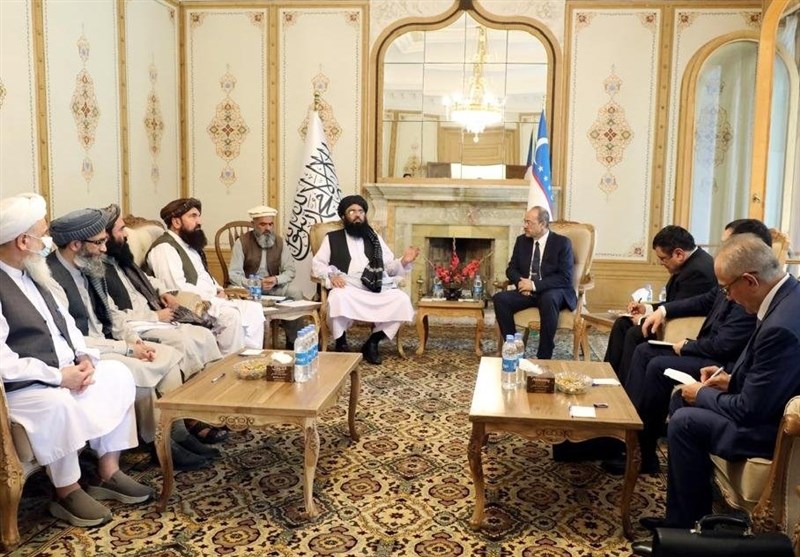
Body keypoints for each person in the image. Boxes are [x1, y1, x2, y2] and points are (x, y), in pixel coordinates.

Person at [0, 193, 151, 527]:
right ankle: (67, 491)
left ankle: (108, 471)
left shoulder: (33, 272)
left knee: (118, 374)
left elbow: (65, 324)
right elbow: (3, 361)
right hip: (23, 388)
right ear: (23, 241)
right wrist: (59, 376)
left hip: (65, 370)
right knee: (56, 403)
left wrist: (84, 357)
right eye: (42, 235)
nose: (48, 242)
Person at [636, 233, 800, 539]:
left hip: (772, 432)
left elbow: (750, 410)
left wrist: (704, 393)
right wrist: (730, 379)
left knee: (685, 420)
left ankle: (684, 531)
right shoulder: (787, 297)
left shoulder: (780, 327)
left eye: (727, 288)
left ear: (750, 281)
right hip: (767, 407)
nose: (728, 298)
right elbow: (768, 377)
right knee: (682, 401)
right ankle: (691, 514)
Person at [46, 208, 215, 470]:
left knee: (169, 357)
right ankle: (159, 444)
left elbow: (113, 313)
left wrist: (136, 341)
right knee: (143, 373)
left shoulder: (87, 266)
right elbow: (73, 337)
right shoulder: (51, 278)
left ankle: (178, 434)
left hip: (107, 341)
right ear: (75, 244)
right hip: (84, 351)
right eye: (99, 242)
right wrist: (126, 349)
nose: (104, 249)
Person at [602, 220, 768, 475]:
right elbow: (702, 301)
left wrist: (688, 346)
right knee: (645, 351)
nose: (721, 250)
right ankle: (627, 428)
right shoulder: (731, 280)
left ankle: (641, 450)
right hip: (709, 351)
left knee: (657, 364)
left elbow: (725, 345)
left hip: (721, 362)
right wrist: (662, 309)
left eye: (727, 244)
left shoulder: (747, 291)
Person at [102, 204, 222, 379]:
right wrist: (156, 316)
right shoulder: (98, 271)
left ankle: (214, 380)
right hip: (137, 324)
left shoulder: (121, 259)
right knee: (183, 341)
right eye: (121, 230)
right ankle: (195, 387)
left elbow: (147, 279)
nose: (126, 234)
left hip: (153, 318)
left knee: (204, 334)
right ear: (106, 235)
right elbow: (112, 316)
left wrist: (163, 292)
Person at [145, 198, 265, 355]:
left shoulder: (189, 245)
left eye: (198, 216)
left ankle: (251, 359)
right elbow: (176, 288)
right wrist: (212, 295)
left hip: (211, 299)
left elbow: (205, 275)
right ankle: (228, 364)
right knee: (231, 316)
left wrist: (219, 289)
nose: (199, 221)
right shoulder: (164, 248)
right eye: (193, 216)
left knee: (254, 309)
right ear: (176, 222)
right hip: (192, 305)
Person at [311, 194, 419, 364]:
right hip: (348, 286)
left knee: (402, 300)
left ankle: (373, 342)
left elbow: (388, 267)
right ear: (344, 216)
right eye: (352, 211)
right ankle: (341, 342)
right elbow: (318, 265)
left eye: (361, 211)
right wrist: (332, 275)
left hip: (375, 286)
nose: (357, 215)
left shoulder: (374, 238)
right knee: (337, 297)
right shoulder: (332, 238)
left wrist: (403, 261)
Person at [604, 225, 716, 384]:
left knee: (635, 333)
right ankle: (609, 378)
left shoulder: (698, 271)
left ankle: (625, 387)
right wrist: (647, 308)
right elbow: (675, 303)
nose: (661, 263)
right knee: (622, 323)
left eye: (663, 258)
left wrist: (642, 320)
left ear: (679, 254)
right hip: (673, 320)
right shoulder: (690, 264)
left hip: (684, 331)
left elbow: (685, 310)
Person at [492, 206, 576, 359]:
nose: (525, 226)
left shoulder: (562, 243)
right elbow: (511, 269)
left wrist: (534, 285)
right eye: (524, 222)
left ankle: (544, 354)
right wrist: (521, 283)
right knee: (500, 299)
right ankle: (514, 348)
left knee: (549, 298)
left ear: (542, 224)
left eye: (529, 222)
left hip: (553, 291)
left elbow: (565, 277)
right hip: (527, 291)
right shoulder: (522, 241)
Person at [228, 204, 304, 349]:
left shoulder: (280, 242)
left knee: (295, 293)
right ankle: (247, 343)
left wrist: (276, 280)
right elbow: (234, 274)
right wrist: (254, 283)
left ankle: (294, 341)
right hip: (250, 290)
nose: (267, 228)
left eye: (270, 224)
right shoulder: (242, 242)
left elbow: (290, 270)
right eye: (263, 224)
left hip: (273, 287)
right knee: (234, 294)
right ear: (253, 224)